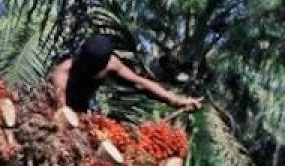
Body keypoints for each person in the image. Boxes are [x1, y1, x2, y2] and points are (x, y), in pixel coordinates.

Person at [51, 34, 204, 116]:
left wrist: (176, 100)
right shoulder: (63, 74)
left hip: (81, 111)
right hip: (55, 109)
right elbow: (61, 112)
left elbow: (141, 83)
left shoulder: (111, 64)